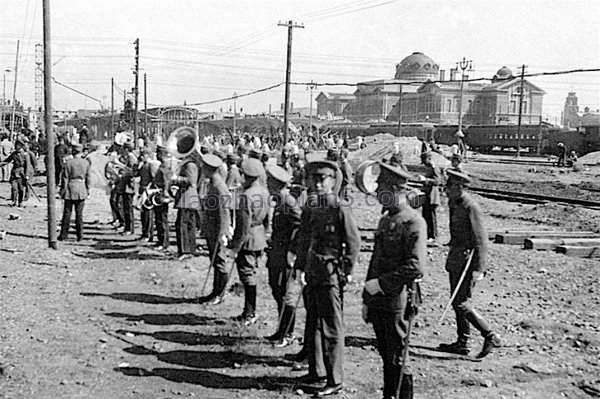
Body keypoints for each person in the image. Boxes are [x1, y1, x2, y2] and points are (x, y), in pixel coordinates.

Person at [294, 159, 361, 397]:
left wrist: (348, 270)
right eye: (315, 179)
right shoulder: (312, 207)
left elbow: (353, 242)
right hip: (313, 271)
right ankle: (317, 371)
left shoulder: (339, 208)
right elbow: (304, 239)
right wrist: (300, 266)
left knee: (332, 327)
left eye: (323, 179)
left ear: (334, 181)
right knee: (313, 323)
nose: (318, 184)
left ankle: (335, 379)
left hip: (331, 274)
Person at [362, 161, 427, 399]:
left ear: (395, 190)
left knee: (399, 356)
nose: (377, 192)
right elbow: (375, 262)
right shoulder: (385, 219)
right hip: (379, 300)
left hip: (398, 300)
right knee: (385, 353)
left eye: (381, 187)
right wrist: (367, 299)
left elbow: (415, 266)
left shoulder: (413, 222)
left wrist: (380, 284)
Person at [438, 169, 501, 359]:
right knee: (457, 302)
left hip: (467, 261)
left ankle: (490, 335)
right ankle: (462, 342)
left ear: (459, 187)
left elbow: (481, 239)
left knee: (462, 303)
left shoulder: (470, 206)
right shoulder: (455, 203)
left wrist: (479, 268)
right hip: (456, 259)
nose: (445, 191)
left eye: (448, 187)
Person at [227, 158, 270, 325]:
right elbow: (268, 219)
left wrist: (234, 248)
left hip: (248, 239)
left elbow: (243, 227)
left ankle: (250, 312)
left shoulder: (246, 196)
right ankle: (249, 311)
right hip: (259, 237)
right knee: (251, 273)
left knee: (247, 276)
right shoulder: (264, 192)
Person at [265, 165, 302, 347]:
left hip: (285, 256)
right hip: (276, 254)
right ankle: (281, 329)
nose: (267, 184)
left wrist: (292, 252)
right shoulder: (280, 200)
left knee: (286, 293)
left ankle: (288, 333)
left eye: (270, 181)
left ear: (276, 184)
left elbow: (299, 226)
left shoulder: (288, 202)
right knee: (277, 289)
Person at [198, 154, 232, 304]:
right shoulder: (213, 183)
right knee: (214, 260)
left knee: (220, 261)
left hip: (217, 229)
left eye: (204, 167)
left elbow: (224, 211)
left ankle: (221, 294)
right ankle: (215, 291)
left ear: (209, 169)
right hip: (212, 228)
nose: (202, 169)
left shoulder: (219, 186)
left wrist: (223, 232)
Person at [58, 143, 91, 241]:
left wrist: (62, 191)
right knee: (79, 215)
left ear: (73, 151)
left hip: (70, 188)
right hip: (81, 188)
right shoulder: (86, 163)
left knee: (67, 214)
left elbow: (65, 178)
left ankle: (63, 235)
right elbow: (88, 178)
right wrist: (88, 190)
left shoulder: (68, 163)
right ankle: (80, 236)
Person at [171, 151, 200, 261]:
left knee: (182, 225)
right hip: (188, 198)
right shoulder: (190, 164)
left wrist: (175, 179)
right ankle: (190, 249)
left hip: (186, 199)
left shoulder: (190, 165)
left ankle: (185, 250)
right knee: (189, 225)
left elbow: (190, 181)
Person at [151, 146, 172, 251]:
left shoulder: (165, 166)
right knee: (159, 218)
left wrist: (165, 192)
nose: (156, 155)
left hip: (161, 195)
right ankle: (160, 240)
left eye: (158, 153)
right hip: (159, 193)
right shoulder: (164, 166)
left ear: (161, 155)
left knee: (162, 219)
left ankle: (163, 242)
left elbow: (167, 181)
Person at [420, 151, 442, 244]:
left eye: (425, 161)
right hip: (427, 194)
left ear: (429, 159)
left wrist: (426, 180)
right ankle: (427, 235)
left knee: (431, 217)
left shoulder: (434, 168)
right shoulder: (429, 167)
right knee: (425, 215)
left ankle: (433, 236)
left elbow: (438, 181)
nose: (424, 163)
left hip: (433, 195)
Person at [115, 143, 137, 235]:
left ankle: (129, 228)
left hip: (129, 186)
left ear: (127, 149)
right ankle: (127, 227)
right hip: (126, 186)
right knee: (126, 208)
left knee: (128, 208)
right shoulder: (129, 157)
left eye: (124, 149)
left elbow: (132, 172)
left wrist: (121, 167)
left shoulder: (131, 158)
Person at [0, 139, 28, 207]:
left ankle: (20, 202)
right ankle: (14, 201)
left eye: (18, 145)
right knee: (14, 188)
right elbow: (8, 160)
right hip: (14, 173)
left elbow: (27, 165)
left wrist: (26, 175)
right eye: (16, 145)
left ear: (21, 146)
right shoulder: (14, 154)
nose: (16, 146)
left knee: (21, 189)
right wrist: (1, 164)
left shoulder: (24, 154)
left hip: (21, 173)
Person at [137, 148, 157, 242]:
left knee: (148, 214)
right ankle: (144, 232)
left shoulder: (151, 165)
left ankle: (149, 234)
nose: (141, 156)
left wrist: (149, 190)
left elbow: (153, 179)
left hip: (148, 192)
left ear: (148, 155)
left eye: (143, 154)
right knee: (143, 213)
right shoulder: (143, 165)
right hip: (142, 190)